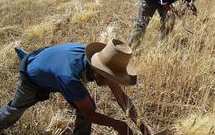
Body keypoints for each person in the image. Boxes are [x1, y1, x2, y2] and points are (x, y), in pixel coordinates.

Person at [0, 39, 153, 135]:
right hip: (32, 76)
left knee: (86, 105)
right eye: (109, 78)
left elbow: (123, 100)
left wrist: (144, 129)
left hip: (53, 67)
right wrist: (119, 125)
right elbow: (89, 114)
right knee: (13, 111)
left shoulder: (100, 63)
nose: (111, 83)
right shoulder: (70, 78)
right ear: (98, 71)